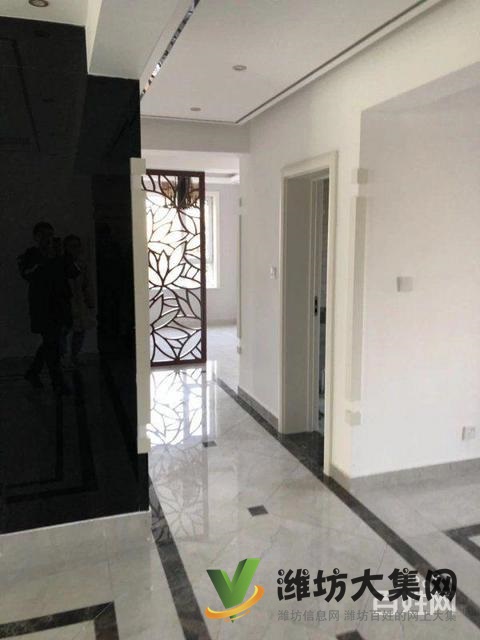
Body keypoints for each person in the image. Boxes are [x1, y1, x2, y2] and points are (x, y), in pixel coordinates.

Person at [18, 222, 78, 393]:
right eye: (43, 235)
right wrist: (45, 260)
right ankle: (57, 382)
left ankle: (34, 372)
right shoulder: (31, 255)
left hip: (61, 304)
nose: (48, 239)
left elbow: (73, 272)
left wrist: (64, 255)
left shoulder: (59, 254)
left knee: (51, 342)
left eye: (50, 235)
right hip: (42, 305)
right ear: (36, 237)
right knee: (51, 342)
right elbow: (27, 274)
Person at [62, 235, 95, 366]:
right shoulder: (61, 263)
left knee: (80, 329)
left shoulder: (82, 264)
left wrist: (89, 300)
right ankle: (63, 356)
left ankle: (74, 355)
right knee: (64, 330)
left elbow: (86, 283)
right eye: (72, 246)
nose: (75, 249)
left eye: (77, 246)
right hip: (65, 301)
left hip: (79, 300)